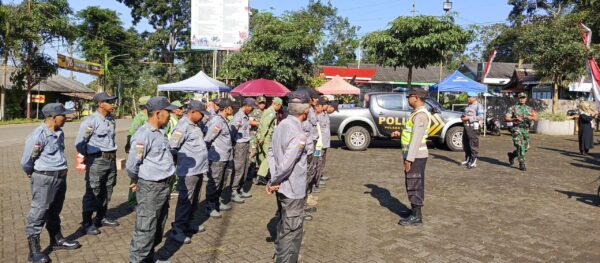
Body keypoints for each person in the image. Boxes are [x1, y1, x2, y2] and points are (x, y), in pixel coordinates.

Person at [22, 103, 81, 263]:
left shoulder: (59, 132)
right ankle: (34, 251)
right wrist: (32, 172)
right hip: (45, 178)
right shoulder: (38, 135)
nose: (66, 117)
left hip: (60, 177)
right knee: (39, 212)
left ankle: (57, 240)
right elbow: (27, 161)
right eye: (64, 115)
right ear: (53, 117)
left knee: (54, 210)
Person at [126, 96, 178, 262]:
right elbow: (132, 164)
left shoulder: (160, 133)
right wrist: (137, 179)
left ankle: (148, 258)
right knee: (145, 227)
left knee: (157, 225)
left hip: (163, 185)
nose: (170, 115)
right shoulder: (143, 135)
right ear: (157, 113)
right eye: (167, 112)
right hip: (151, 187)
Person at [266, 91, 311, 263]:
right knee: (291, 232)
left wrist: (274, 179)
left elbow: (271, 153)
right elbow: (286, 164)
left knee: (285, 226)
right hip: (292, 190)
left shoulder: (281, 126)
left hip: (282, 187)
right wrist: (273, 181)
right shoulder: (299, 135)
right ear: (305, 111)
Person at [75, 92, 119, 235]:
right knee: (93, 191)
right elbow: (80, 143)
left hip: (110, 159)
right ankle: (87, 223)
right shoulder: (91, 121)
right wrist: (90, 157)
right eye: (109, 102)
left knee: (108, 188)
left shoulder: (111, 119)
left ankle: (101, 217)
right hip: (97, 160)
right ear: (100, 104)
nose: (113, 104)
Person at [167, 100, 210, 244]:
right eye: (201, 114)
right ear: (192, 112)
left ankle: (188, 223)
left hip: (198, 169)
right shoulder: (183, 126)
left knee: (195, 198)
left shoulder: (195, 125)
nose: (203, 117)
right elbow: (173, 146)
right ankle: (178, 228)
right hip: (188, 171)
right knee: (186, 200)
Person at [391, 88, 431, 226]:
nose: (408, 99)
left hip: (415, 156)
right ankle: (414, 212)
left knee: (414, 184)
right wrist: (400, 133)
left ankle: (417, 216)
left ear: (416, 98)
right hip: (413, 155)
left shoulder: (421, 115)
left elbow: (416, 139)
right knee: (412, 183)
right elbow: (410, 133)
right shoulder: (416, 114)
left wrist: (409, 159)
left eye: (409, 96)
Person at [204, 98, 235, 218]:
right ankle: (210, 206)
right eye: (231, 107)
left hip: (224, 157)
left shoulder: (223, 120)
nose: (233, 109)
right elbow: (208, 138)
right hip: (217, 158)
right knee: (214, 183)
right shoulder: (217, 121)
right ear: (226, 108)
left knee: (221, 182)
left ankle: (216, 203)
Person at [125, 95, 151, 207]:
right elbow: (131, 133)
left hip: (148, 149)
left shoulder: (149, 115)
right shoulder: (139, 117)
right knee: (135, 175)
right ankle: (132, 201)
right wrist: (128, 145)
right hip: (139, 148)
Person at [230, 98, 256, 203]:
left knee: (245, 167)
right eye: (251, 107)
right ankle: (233, 191)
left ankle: (240, 189)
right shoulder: (238, 117)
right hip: (240, 144)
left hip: (245, 143)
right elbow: (233, 132)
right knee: (239, 168)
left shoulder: (245, 117)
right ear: (246, 106)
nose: (252, 110)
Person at [505, 92, 538, 171]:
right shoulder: (513, 108)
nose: (522, 99)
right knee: (520, 145)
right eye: (520, 98)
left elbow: (536, 117)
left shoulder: (529, 109)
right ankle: (521, 163)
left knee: (526, 147)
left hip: (526, 130)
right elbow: (506, 118)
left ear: (526, 99)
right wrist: (514, 119)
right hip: (517, 128)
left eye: (523, 98)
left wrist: (531, 117)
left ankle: (512, 155)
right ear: (518, 98)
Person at [256, 97, 283, 185]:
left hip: (265, 137)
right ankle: (260, 175)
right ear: (277, 104)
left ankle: (262, 174)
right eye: (280, 106)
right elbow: (265, 125)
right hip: (266, 137)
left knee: (263, 156)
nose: (280, 108)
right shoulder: (271, 113)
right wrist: (262, 138)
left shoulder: (269, 111)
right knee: (270, 156)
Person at [461, 92, 484, 169]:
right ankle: (468, 159)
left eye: (469, 97)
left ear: (474, 98)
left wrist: (469, 118)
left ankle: (473, 161)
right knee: (466, 143)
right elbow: (465, 114)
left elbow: (481, 117)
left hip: (473, 127)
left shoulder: (478, 106)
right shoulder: (468, 105)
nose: (468, 98)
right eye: (468, 97)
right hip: (466, 126)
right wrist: (463, 117)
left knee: (473, 144)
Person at [248, 96, 267, 180]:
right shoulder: (254, 112)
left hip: (263, 137)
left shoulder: (267, 112)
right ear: (257, 103)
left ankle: (261, 173)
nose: (262, 105)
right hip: (254, 136)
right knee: (252, 154)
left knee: (262, 155)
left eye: (263, 103)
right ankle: (250, 173)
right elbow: (250, 121)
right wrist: (260, 123)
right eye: (260, 103)